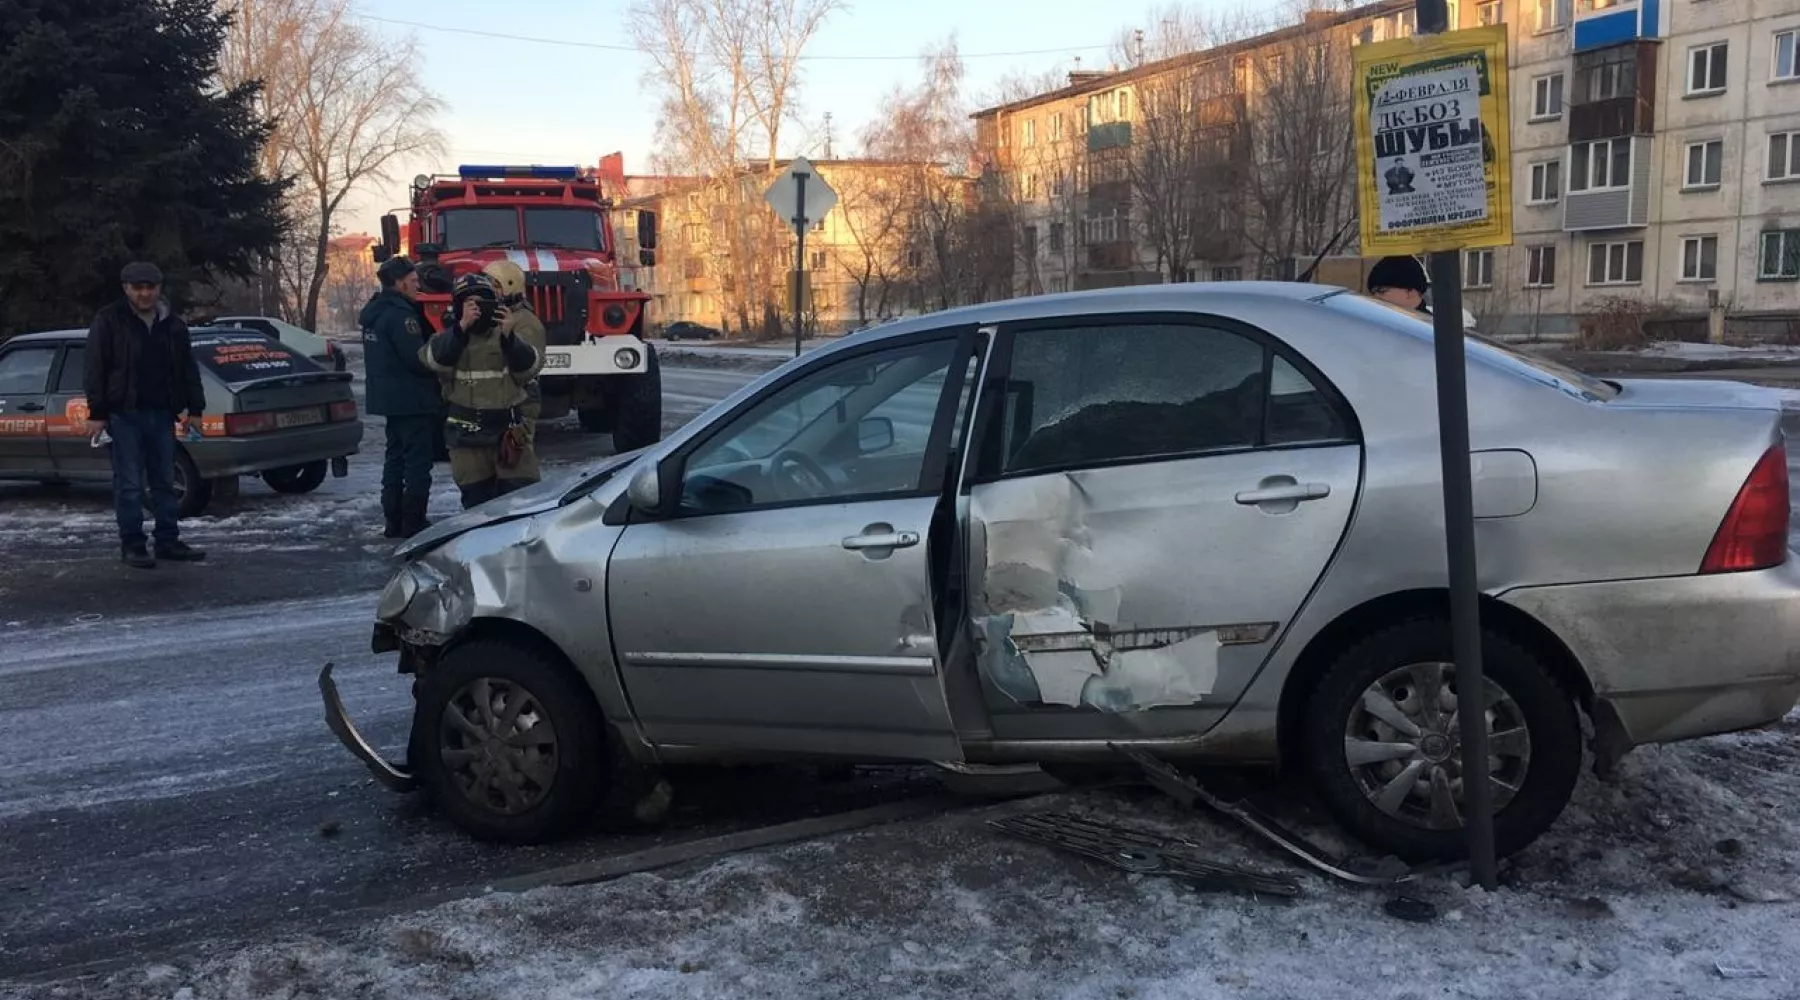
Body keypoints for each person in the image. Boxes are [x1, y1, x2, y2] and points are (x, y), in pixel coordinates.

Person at [84, 262, 208, 569]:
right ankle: (133, 545)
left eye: (150, 287)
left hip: (162, 414)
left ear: (159, 288)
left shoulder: (173, 325)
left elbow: (187, 369)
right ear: (126, 288)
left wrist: (195, 409)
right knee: (129, 484)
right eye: (138, 287)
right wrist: (97, 412)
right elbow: (95, 368)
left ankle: (168, 541)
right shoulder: (110, 320)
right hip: (123, 415)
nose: (145, 293)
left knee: (164, 482)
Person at [422, 273, 543, 509]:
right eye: (471, 304)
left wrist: (510, 339)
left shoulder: (509, 336)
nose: (478, 309)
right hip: (467, 440)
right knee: (478, 508)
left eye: (483, 302)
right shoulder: (446, 339)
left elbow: (529, 370)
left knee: (522, 502)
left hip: (509, 438)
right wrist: (461, 328)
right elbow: (434, 360)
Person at [360, 256, 442, 539]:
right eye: (414, 280)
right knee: (417, 462)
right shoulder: (402, 315)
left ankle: (393, 521)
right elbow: (416, 359)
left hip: (388, 400)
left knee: (394, 459)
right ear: (399, 282)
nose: (418, 285)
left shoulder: (375, 311)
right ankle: (414, 521)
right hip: (412, 398)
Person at [480, 259, 546, 488]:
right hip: (502, 399)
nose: (489, 291)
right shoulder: (500, 318)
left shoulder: (525, 323)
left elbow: (526, 367)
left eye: (494, 285)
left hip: (521, 399)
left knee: (517, 464)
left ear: (509, 286)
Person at [1366, 255, 1431, 313]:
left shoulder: (1432, 325)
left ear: (1411, 292)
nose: (1375, 298)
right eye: (1373, 293)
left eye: (1382, 291)